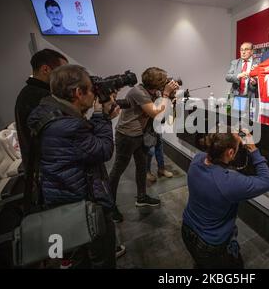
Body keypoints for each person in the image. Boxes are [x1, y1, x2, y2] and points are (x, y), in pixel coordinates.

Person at [27, 64, 120, 268]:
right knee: (101, 257)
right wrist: (102, 116)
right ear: (78, 93)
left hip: (60, 197)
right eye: (90, 90)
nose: (94, 95)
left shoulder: (45, 110)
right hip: (82, 204)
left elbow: (79, 147)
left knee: (77, 256)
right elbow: (103, 150)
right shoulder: (68, 126)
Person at [181, 129, 269, 268]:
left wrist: (229, 136)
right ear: (231, 153)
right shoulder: (230, 182)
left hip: (187, 229)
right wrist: (253, 149)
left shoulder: (197, 159)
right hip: (210, 243)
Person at [109, 67, 179, 222]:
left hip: (139, 135)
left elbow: (164, 111)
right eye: (164, 80)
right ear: (156, 83)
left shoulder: (154, 92)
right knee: (117, 170)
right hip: (126, 136)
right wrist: (166, 94)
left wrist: (170, 95)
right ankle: (110, 206)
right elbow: (156, 113)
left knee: (141, 166)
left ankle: (141, 197)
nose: (166, 82)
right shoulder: (138, 92)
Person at [15, 49, 68, 171]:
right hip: (48, 171)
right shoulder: (40, 97)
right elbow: (60, 138)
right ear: (45, 69)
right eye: (63, 72)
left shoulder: (28, 92)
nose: (67, 77)